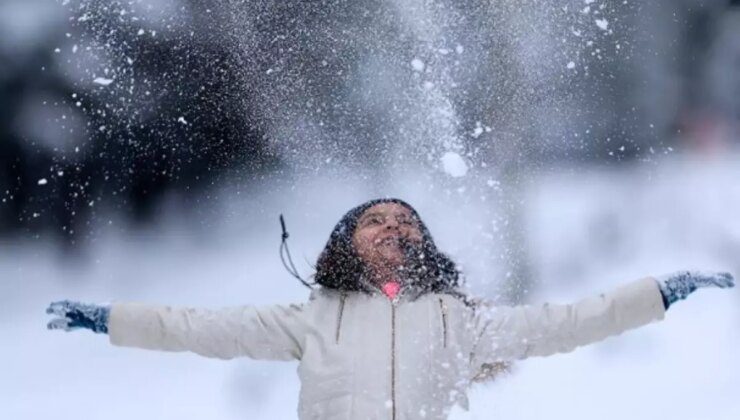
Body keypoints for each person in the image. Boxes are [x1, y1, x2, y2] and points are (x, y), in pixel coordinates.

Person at [46, 198, 735, 420]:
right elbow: (196, 327)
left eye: (407, 221)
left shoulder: (458, 320)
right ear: (345, 242)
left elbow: (567, 322)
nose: (394, 227)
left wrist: (659, 293)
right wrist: (109, 319)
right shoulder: (311, 317)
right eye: (375, 219)